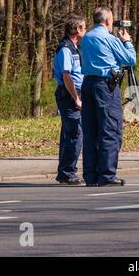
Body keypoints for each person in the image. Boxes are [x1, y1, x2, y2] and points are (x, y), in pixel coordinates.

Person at [80, 7, 136, 187]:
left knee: (90, 131)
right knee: (110, 130)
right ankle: (107, 175)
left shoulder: (86, 38)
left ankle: (90, 175)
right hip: (106, 86)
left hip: (87, 84)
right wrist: (127, 42)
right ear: (108, 21)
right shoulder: (109, 38)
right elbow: (130, 59)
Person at [53, 14, 87, 185]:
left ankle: (64, 172)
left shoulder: (77, 47)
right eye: (83, 27)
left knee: (70, 134)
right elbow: (67, 76)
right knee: (75, 133)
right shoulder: (65, 48)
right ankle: (68, 172)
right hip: (69, 95)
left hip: (77, 93)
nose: (85, 31)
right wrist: (76, 98)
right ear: (75, 30)